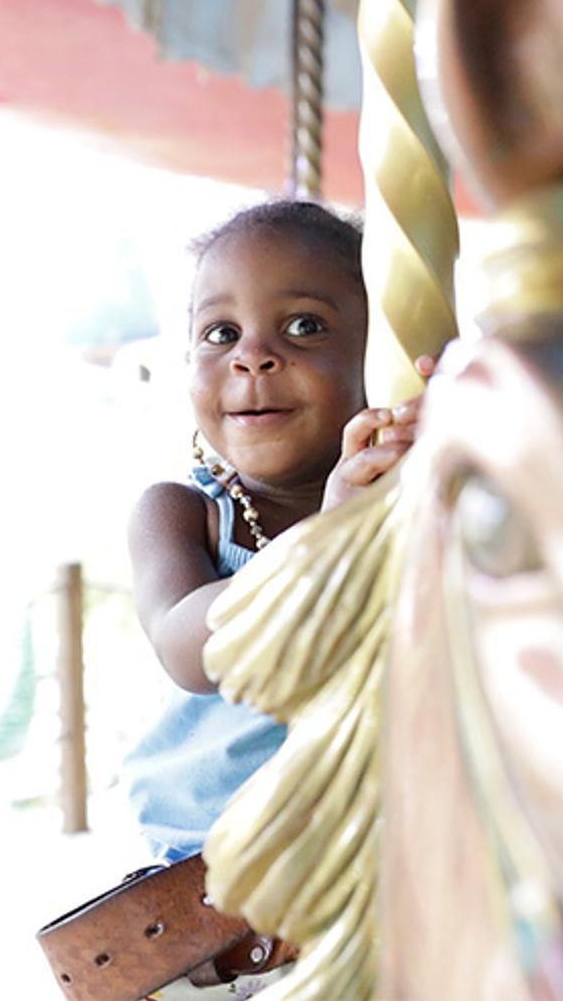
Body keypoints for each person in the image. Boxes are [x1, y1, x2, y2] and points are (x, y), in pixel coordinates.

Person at [124, 199, 428, 864]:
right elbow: (189, 648)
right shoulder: (182, 515)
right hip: (215, 884)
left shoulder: (414, 508)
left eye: (304, 325)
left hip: (377, 854)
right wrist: (329, 535)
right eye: (220, 333)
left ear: (378, 354)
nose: (253, 357)